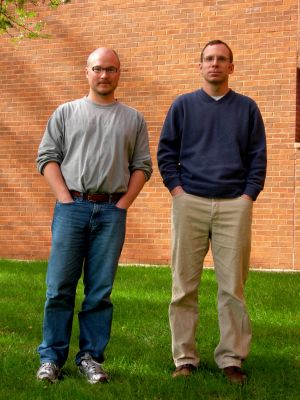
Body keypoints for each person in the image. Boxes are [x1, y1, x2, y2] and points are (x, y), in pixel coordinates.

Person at [36, 47, 152, 384]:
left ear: (119, 73)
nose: (104, 75)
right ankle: (51, 359)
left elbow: (142, 165)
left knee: (99, 292)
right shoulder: (66, 112)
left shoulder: (133, 118)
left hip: (111, 212)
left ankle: (90, 358)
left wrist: (123, 204)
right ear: (86, 72)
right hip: (72, 207)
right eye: (98, 69)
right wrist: (65, 199)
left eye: (111, 69)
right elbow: (47, 157)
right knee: (59, 288)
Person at [157, 40, 266, 384]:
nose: (215, 64)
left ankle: (231, 358)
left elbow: (258, 157)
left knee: (232, 286)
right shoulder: (183, 105)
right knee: (183, 285)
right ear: (200, 65)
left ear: (231, 67)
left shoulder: (247, 108)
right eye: (209, 59)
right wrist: (178, 191)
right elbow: (166, 152)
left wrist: (248, 196)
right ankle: (185, 358)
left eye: (222, 59)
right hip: (190, 201)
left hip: (235, 204)